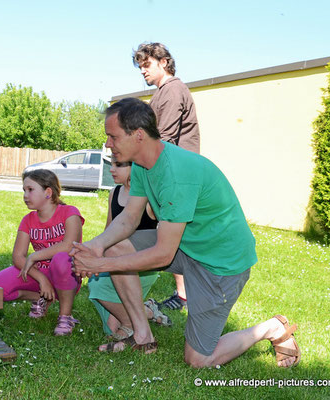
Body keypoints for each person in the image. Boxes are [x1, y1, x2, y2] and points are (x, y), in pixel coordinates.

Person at [71, 98, 300, 368]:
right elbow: (130, 218)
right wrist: (96, 247)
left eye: (113, 136)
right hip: (185, 246)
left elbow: (162, 254)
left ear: (138, 135)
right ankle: (142, 336)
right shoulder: (144, 163)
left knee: (199, 361)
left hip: (219, 264)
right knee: (114, 246)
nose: (108, 143)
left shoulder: (176, 174)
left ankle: (272, 328)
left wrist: (101, 264)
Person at [133, 42, 202, 311]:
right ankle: (185, 291)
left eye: (146, 65)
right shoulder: (161, 93)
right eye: (140, 67)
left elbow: (167, 140)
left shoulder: (173, 91)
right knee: (170, 232)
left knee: (175, 233)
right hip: (170, 172)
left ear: (164, 62)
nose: (143, 71)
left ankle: (186, 294)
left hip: (177, 175)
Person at [0, 169, 84, 336]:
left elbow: (69, 246)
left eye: (30, 190)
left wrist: (34, 256)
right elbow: (17, 257)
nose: (25, 195)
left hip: (67, 274)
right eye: (24, 190)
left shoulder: (70, 212)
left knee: (62, 258)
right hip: (40, 274)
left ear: (48, 192)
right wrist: (42, 279)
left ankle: (65, 317)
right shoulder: (28, 220)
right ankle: (40, 298)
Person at [88, 156, 171, 340]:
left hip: (141, 266)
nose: (111, 169)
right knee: (110, 327)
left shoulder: (149, 197)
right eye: (112, 164)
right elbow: (108, 231)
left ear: (136, 168)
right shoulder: (114, 193)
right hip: (116, 259)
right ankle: (147, 312)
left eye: (118, 165)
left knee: (98, 286)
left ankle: (131, 323)